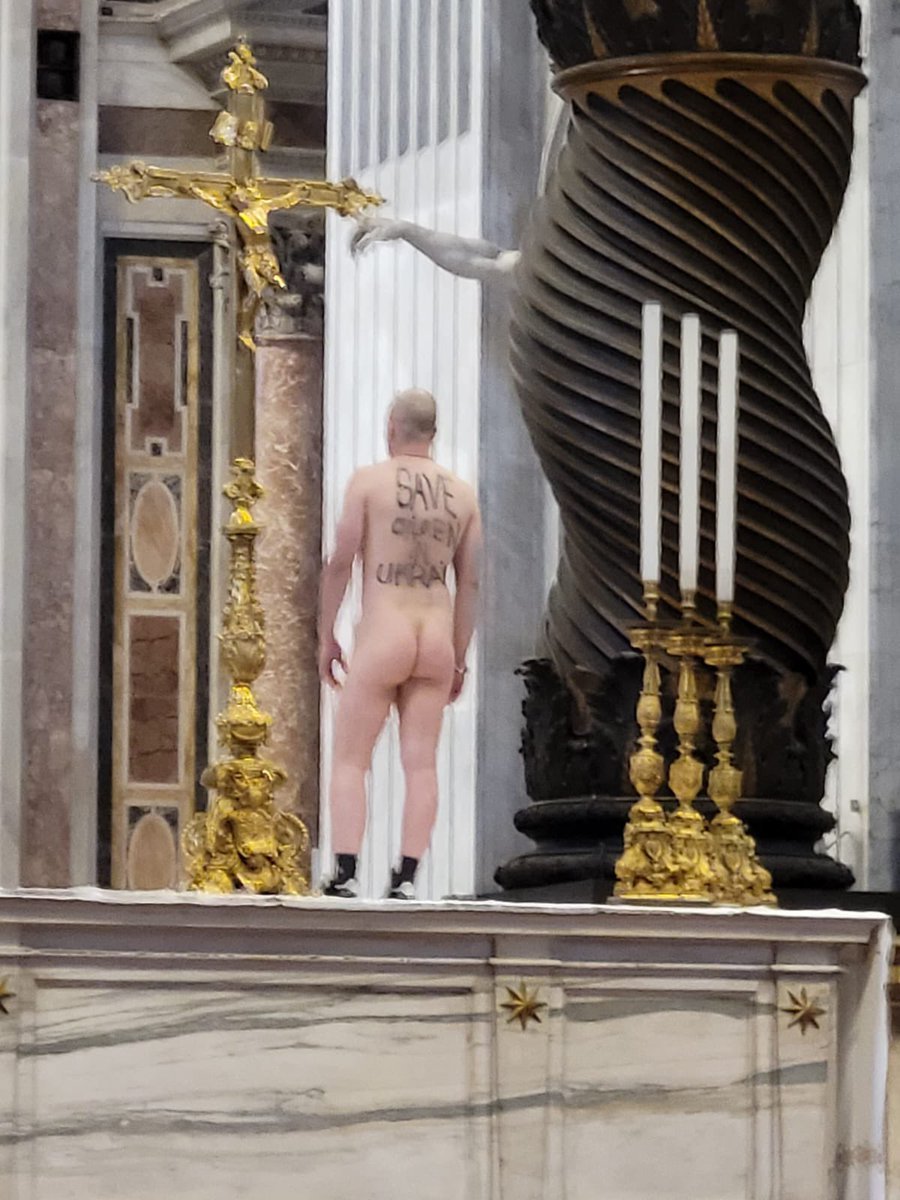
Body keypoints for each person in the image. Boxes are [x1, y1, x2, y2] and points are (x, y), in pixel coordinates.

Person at [318, 388, 482, 899]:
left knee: (351, 759)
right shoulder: (462, 496)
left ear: (392, 426)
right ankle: (407, 877)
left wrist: (326, 634)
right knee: (421, 763)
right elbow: (471, 583)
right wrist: (459, 657)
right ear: (433, 432)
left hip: (384, 631)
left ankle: (346, 872)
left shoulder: (369, 483)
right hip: (435, 637)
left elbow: (340, 562)